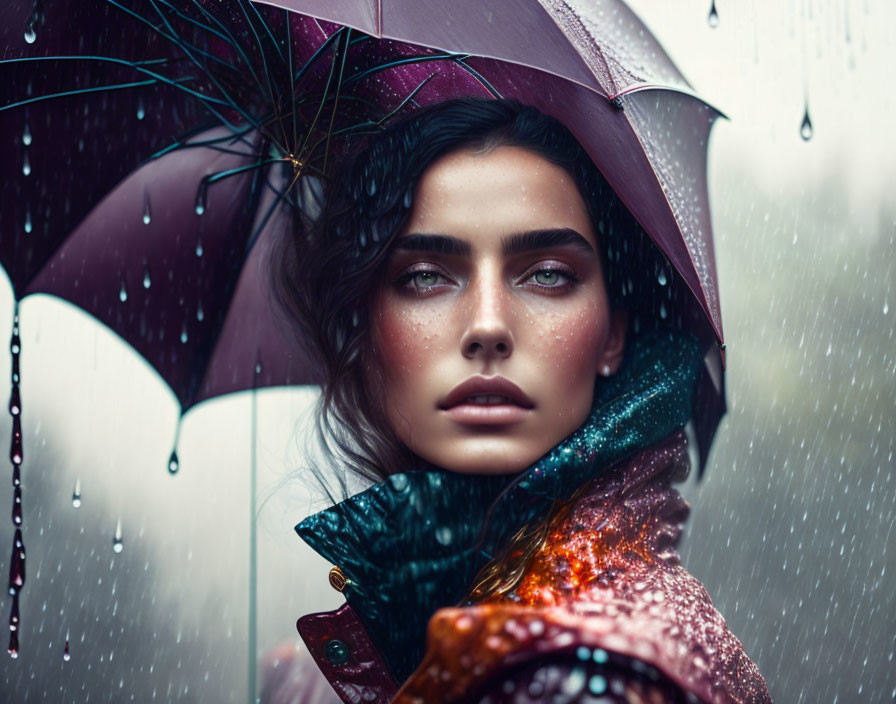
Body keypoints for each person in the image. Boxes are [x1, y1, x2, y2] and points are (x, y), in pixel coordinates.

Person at [268, 98, 772, 704]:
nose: (486, 326)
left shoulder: (596, 677)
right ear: (368, 331)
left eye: (548, 273)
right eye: (427, 274)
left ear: (612, 332)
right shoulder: (472, 617)